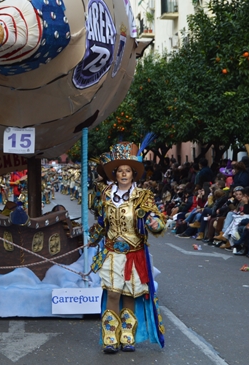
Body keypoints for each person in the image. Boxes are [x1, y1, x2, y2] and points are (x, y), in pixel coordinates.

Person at [89, 141, 166, 354]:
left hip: (135, 253)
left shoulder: (142, 195)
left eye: (128, 171)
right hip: (112, 252)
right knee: (113, 293)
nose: (124, 174)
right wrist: (91, 238)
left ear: (133, 174)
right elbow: (102, 222)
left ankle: (127, 335)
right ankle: (110, 337)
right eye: (120, 170)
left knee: (130, 294)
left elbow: (156, 218)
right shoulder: (105, 194)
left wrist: (155, 223)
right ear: (115, 174)